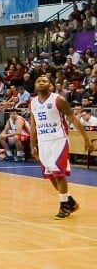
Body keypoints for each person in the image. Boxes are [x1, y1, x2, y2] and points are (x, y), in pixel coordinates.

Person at [29, 75, 94, 219]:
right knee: (51, 175)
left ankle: (64, 206)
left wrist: (86, 139)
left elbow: (73, 119)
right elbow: (33, 126)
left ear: (50, 85)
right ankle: (70, 201)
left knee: (58, 173)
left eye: (44, 80)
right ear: (35, 84)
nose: (41, 82)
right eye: (38, 80)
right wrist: (32, 144)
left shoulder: (59, 100)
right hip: (43, 141)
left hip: (59, 140)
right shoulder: (33, 103)